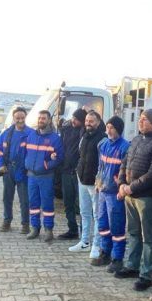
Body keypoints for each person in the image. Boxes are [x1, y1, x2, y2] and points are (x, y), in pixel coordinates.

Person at [116, 109, 152, 291]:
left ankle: (146, 274)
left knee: (148, 237)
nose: (140, 122)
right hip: (129, 195)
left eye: (144, 119)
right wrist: (122, 183)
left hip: (146, 197)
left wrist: (131, 187)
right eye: (140, 119)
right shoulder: (136, 139)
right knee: (134, 232)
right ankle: (132, 265)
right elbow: (125, 162)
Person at [93, 116, 129, 269]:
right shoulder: (103, 144)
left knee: (117, 226)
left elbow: (126, 170)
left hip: (115, 193)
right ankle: (105, 252)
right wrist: (97, 182)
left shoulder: (125, 147)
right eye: (107, 127)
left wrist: (121, 186)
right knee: (102, 224)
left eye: (112, 127)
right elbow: (101, 166)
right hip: (103, 191)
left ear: (118, 129)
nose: (108, 130)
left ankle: (117, 258)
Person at [23, 109, 64, 242]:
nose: (41, 120)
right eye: (39, 118)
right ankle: (35, 228)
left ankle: (48, 230)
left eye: (44, 118)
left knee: (47, 204)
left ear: (49, 120)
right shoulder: (31, 135)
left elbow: (59, 158)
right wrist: (26, 164)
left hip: (46, 176)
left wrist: (47, 165)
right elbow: (26, 153)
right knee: (33, 203)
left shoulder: (55, 138)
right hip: (32, 176)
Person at [71, 110, 106, 252]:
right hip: (82, 179)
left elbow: (104, 163)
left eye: (91, 121)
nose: (88, 124)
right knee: (84, 212)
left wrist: (99, 179)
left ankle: (96, 245)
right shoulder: (84, 136)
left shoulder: (103, 138)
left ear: (98, 122)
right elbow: (81, 156)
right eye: (86, 121)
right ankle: (85, 241)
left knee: (97, 214)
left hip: (94, 183)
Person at [0, 107, 32, 233]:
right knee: (7, 198)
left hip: (23, 171)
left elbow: (33, 154)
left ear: (25, 118)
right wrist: (0, 164)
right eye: (18, 118)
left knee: (24, 200)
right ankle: (7, 221)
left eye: (22, 118)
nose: (20, 120)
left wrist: (29, 168)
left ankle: (25, 224)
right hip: (8, 170)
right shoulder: (6, 134)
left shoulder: (31, 134)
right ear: (13, 118)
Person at [58, 109, 86, 239]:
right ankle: (72, 230)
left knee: (81, 205)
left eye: (77, 119)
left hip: (78, 174)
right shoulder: (67, 130)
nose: (74, 121)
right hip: (65, 172)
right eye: (73, 118)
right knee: (67, 203)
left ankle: (84, 233)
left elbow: (99, 126)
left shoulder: (84, 132)